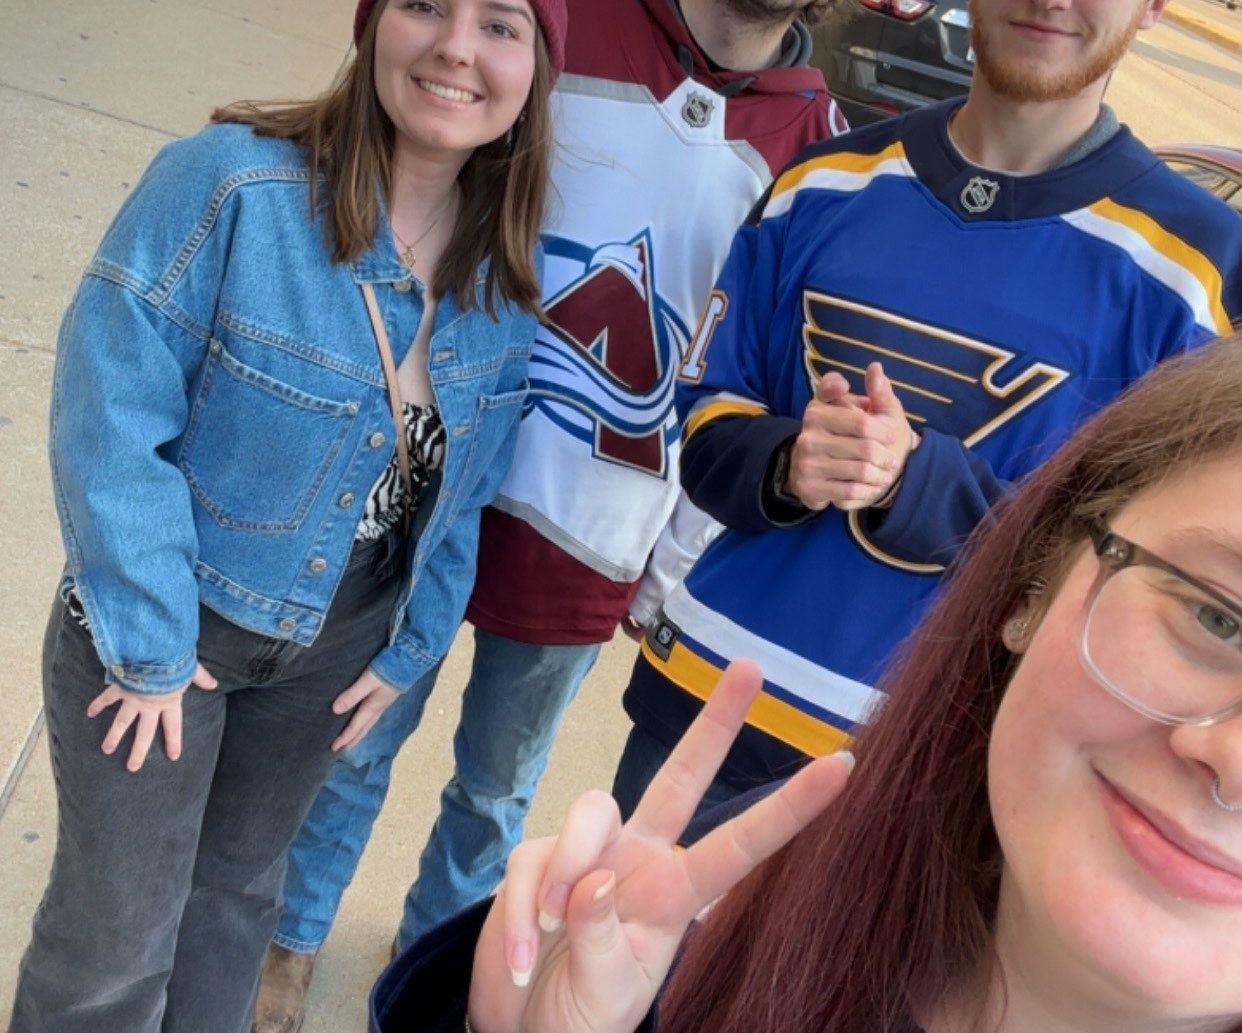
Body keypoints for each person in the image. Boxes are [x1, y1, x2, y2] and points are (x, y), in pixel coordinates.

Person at [253, 0, 909, 1027]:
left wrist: (681, 554)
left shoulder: (822, 151)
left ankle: (447, 971)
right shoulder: (563, 10)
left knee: (494, 789)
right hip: (432, 464)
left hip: (598, 519)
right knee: (357, 735)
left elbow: (759, 375)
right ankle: (289, 940)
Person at [613, 0, 1242, 816]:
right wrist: (787, 460)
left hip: (932, 786)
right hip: (701, 711)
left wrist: (923, 482)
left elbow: (1164, 587)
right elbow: (706, 426)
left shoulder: (1201, 277)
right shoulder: (822, 182)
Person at [8, 0, 569, 1033]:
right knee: (116, 940)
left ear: (534, 72)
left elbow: (457, 503)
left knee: (234, 907)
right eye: (424, 4)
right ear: (373, 25)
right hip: (173, 630)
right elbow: (109, 409)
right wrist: (151, 645)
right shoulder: (230, 185)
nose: (457, 48)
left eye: (501, 24)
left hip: (332, 657)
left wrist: (409, 649)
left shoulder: (501, 287)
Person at [373, 325, 1242, 1033]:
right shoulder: (736, 915)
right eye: (1218, 616)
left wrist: (918, 477)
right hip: (731, 711)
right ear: (1034, 586)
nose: (1232, 761)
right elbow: (708, 416)